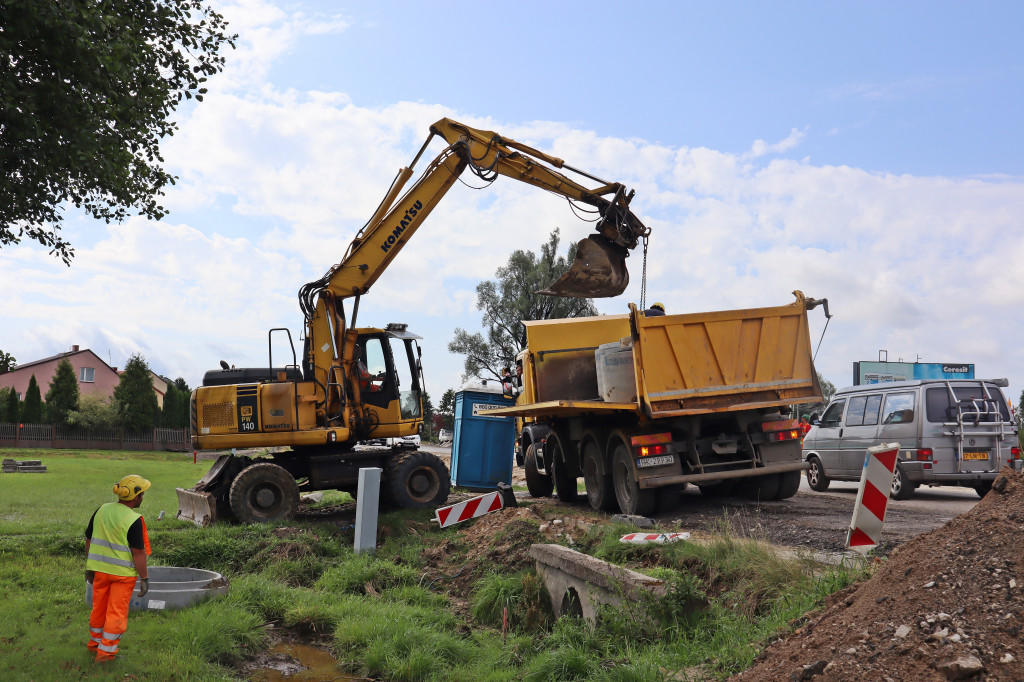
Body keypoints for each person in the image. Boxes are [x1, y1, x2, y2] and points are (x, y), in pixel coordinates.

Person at [84, 475, 152, 663]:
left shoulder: (102, 510)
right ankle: (105, 654)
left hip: (99, 571)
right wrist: (144, 578)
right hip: (122, 576)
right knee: (116, 613)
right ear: (136, 497)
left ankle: (94, 645)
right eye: (142, 494)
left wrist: (90, 567)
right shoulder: (133, 519)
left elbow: (89, 539)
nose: (143, 498)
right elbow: (138, 553)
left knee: (98, 609)